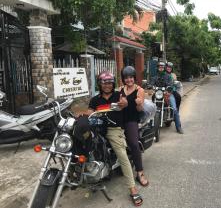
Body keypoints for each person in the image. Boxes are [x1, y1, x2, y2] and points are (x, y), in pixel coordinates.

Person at [77, 71, 143, 206]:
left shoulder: (119, 95)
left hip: (113, 130)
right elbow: (90, 112)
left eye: (109, 82)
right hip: (97, 129)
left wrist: (123, 103)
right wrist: (81, 115)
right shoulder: (95, 99)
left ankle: (133, 188)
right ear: (100, 84)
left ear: (112, 84)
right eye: (104, 82)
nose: (107, 85)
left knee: (122, 155)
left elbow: (124, 102)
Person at [120, 66, 149, 187]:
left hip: (131, 119)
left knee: (134, 144)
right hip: (120, 118)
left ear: (134, 78)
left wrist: (139, 104)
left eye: (131, 77)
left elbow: (139, 109)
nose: (129, 80)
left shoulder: (139, 90)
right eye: (126, 78)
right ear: (123, 79)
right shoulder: (121, 89)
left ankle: (140, 173)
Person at [151, 61, 184, 134]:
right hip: (158, 93)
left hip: (168, 94)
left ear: (164, 68)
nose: (161, 68)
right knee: (152, 106)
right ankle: (151, 124)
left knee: (174, 109)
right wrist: (149, 85)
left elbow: (171, 84)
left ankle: (179, 127)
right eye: (160, 67)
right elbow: (151, 83)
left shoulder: (168, 76)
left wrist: (169, 88)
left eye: (162, 67)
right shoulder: (155, 76)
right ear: (157, 68)